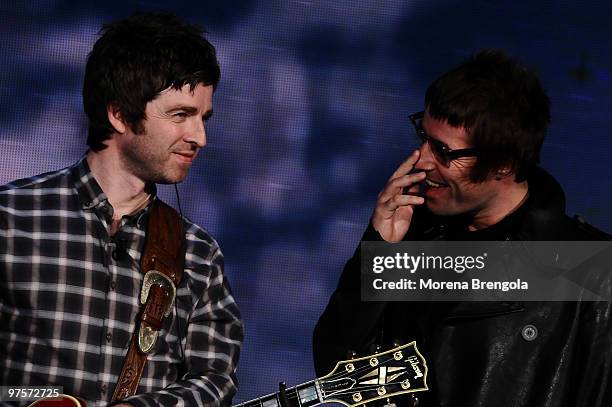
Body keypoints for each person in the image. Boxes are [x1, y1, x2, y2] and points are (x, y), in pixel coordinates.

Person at [313, 50, 612, 406]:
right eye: (423, 136)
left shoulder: (592, 274)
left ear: (503, 164)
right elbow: (338, 376)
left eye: (443, 150)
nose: (422, 160)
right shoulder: (413, 236)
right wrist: (378, 255)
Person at [0, 12, 243, 407]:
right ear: (119, 114)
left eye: (204, 117)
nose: (200, 137)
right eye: (180, 114)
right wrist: (38, 399)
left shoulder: (199, 255)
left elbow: (214, 382)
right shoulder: (11, 220)